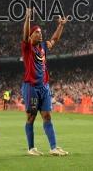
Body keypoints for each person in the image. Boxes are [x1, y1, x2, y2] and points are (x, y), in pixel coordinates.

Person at [21, 8, 69, 156]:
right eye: (37, 32)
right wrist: (28, 17)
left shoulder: (42, 47)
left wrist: (61, 25)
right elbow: (25, 34)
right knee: (31, 117)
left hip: (44, 87)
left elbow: (54, 39)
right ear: (31, 36)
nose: (40, 33)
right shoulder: (27, 47)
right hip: (31, 87)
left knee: (47, 116)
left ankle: (53, 147)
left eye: (40, 31)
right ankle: (31, 148)